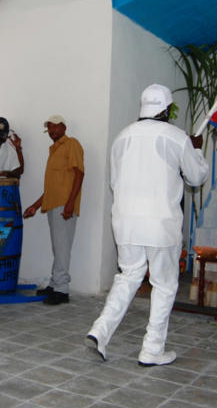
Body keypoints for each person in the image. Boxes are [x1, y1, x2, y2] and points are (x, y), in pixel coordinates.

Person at [86, 83, 208, 367]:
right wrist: (197, 151)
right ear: (166, 110)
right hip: (160, 223)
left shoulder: (122, 137)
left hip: (125, 222)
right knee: (164, 285)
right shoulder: (177, 137)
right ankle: (152, 349)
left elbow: (115, 183)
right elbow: (196, 177)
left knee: (128, 276)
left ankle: (99, 332)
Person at [22, 115, 84, 305]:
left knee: (62, 248)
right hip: (53, 205)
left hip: (64, 207)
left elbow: (80, 173)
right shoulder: (54, 150)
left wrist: (70, 203)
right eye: (48, 128)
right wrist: (36, 205)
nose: (52, 131)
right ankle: (55, 283)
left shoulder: (72, 144)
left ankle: (62, 290)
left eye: (55, 127)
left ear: (64, 126)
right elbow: (52, 187)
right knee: (58, 247)